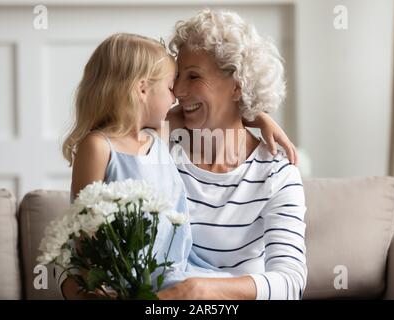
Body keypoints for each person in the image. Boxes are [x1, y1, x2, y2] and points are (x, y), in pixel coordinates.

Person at [59, 32, 295, 299]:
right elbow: (82, 236)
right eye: (172, 84)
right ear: (142, 88)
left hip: (176, 275)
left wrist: (259, 115)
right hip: (123, 277)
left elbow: (226, 109)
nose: (178, 95)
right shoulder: (119, 143)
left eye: (192, 77)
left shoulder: (158, 136)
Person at [156, 9, 307, 300]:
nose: (177, 90)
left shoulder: (276, 173)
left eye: (194, 76)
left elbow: (290, 283)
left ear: (237, 86)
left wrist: (199, 290)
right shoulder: (161, 151)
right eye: (177, 77)